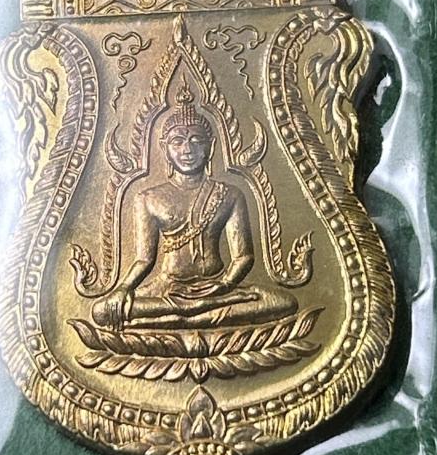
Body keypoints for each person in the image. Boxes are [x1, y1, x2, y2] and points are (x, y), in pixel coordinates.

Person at [93, 77, 298, 330]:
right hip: (167, 289)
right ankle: (190, 312)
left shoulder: (230, 194)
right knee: (102, 311)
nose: (187, 150)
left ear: (210, 147)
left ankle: (185, 315)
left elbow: (243, 256)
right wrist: (124, 288)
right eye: (177, 141)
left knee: (284, 302)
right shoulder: (148, 198)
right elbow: (144, 259)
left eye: (196, 140)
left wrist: (225, 285)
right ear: (165, 149)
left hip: (217, 288)